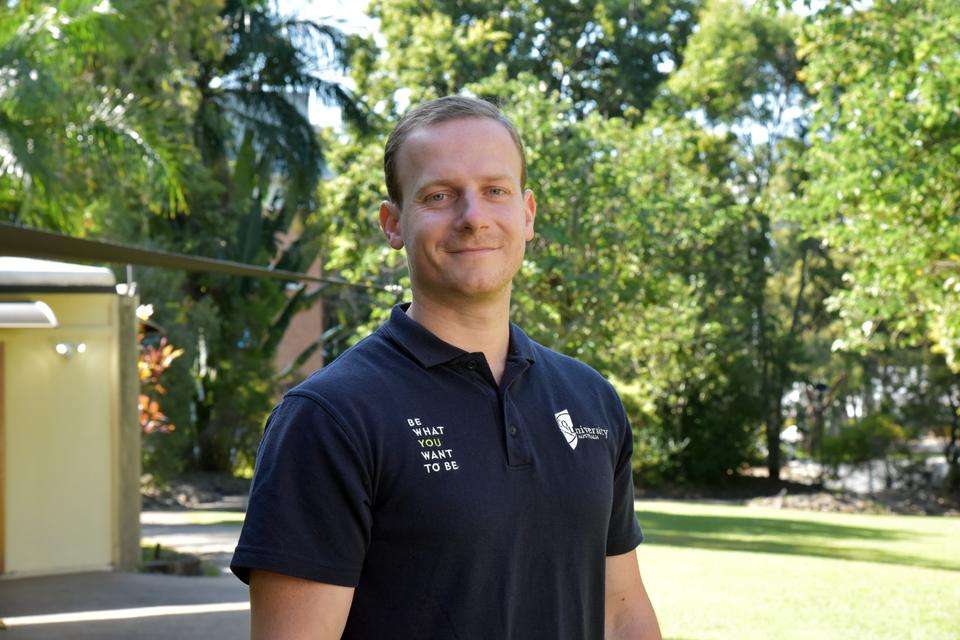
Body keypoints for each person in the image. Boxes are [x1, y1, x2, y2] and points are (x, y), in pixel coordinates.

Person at [230, 95, 662, 639]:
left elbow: (621, 611)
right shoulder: (329, 418)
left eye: (494, 191)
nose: (473, 217)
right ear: (393, 224)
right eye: (439, 195)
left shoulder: (589, 399)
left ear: (526, 215)